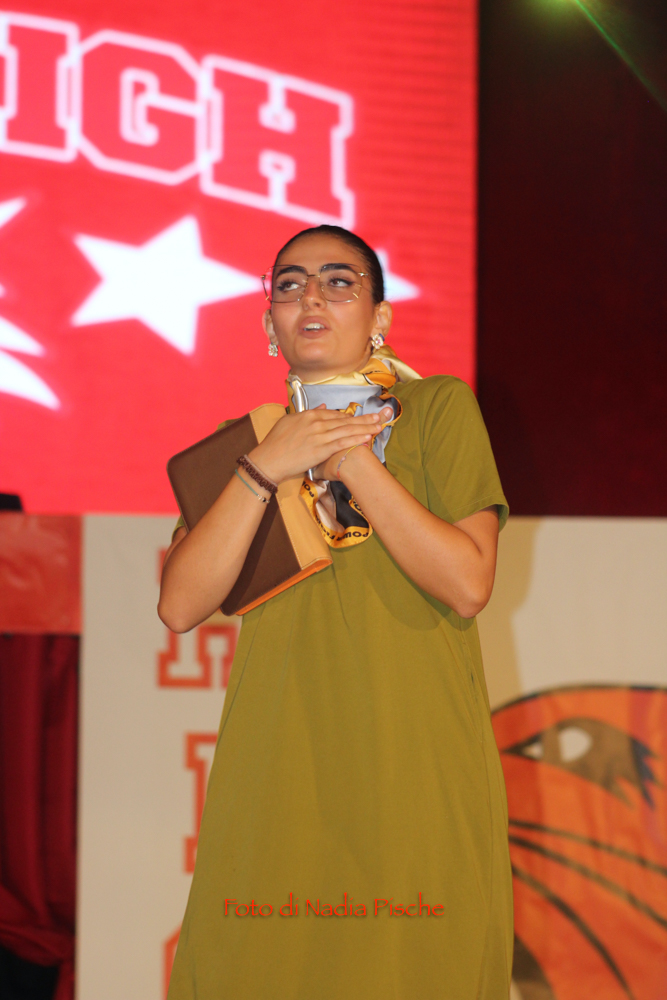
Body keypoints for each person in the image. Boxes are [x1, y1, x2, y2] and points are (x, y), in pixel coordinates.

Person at [158, 224, 513, 999]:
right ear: (269, 324)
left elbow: (466, 583)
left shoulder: (436, 408)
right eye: (288, 285)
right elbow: (180, 605)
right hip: (278, 760)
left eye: (338, 281)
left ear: (379, 317)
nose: (310, 296)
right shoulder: (241, 446)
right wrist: (266, 467)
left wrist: (345, 452)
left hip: (412, 754)